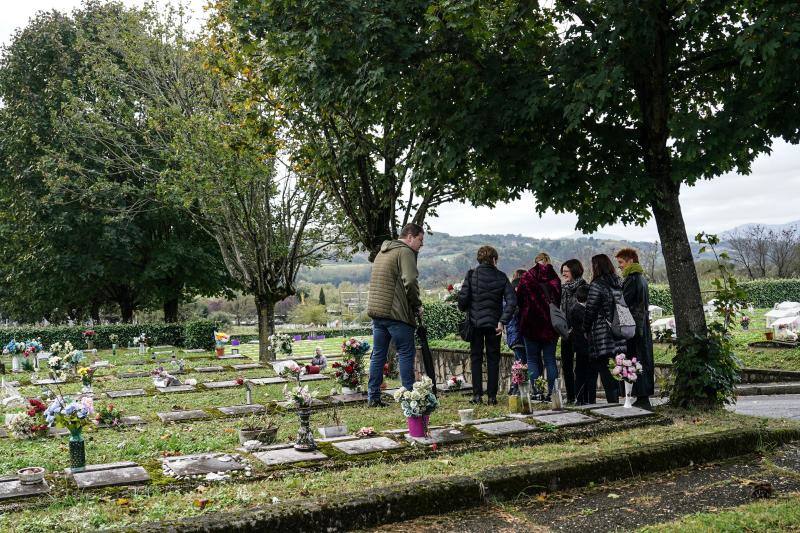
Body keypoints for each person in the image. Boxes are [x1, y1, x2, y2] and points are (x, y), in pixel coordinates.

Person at [366, 223, 425, 407]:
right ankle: (409, 398)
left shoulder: (382, 253)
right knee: (406, 353)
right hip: (397, 313)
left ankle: (373, 397)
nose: (421, 245)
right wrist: (417, 305)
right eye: (420, 240)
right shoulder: (405, 252)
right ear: (410, 237)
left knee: (378, 355)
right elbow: (410, 280)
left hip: (378, 312)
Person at [458, 246, 517, 405]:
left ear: (479, 259)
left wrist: (468, 306)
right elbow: (512, 301)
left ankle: (477, 396)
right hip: (494, 325)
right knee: (493, 359)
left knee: (476, 358)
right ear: (494, 259)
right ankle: (492, 397)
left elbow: (462, 302)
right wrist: (502, 321)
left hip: (475, 324)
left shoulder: (471, 275)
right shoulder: (501, 276)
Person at [517, 252, 561, 399]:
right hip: (550, 326)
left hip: (530, 325)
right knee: (550, 360)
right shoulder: (555, 279)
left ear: (535, 262)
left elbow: (519, 301)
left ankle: (536, 393)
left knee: (532, 360)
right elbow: (559, 301)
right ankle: (554, 393)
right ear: (548, 261)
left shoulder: (526, 277)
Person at [616, 247, 655, 408]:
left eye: (621, 262)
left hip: (634, 327)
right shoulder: (641, 278)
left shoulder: (632, 280)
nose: (619, 266)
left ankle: (641, 396)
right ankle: (641, 396)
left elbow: (623, 304)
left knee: (635, 361)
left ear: (630, 261)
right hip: (641, 326)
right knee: (641, 360)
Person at [583, 254, 625, 403]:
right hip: (618, 332)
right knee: (616, 368)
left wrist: (585, 328)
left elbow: (590, 310)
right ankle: (617, 400)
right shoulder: (619, 282)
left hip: (602, 334)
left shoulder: (597, 285)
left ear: (597, 266)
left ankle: (611, 402)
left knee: (604, 369)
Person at [559, 259, 588, 404]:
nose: (563, 274)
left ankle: (581, 396)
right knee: (567, 365)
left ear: (575, 271)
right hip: (565, 333)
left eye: (566, 271)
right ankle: (570, 396)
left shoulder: (583, 287)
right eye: (562, 271)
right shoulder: (563, 289)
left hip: (580, 333)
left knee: (581, 367)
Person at [569, 284, 593, 404]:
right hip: (583, 346)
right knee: (582, 372)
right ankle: (580, 398)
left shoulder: (575, 308)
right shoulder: (580, 310)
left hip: (580, 346)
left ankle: (582, 398)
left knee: (582, 372)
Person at [505, 269, 528, 395]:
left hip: (512, 335)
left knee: (518, 362)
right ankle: (518, 388)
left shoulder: (507, 294)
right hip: (521, 334)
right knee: (522, 362)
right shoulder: (521, 293)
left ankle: (514, 387)